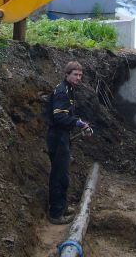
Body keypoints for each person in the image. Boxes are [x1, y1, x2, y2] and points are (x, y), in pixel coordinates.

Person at [47, 61, 93, 225]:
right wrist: (78, 123)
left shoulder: (69, 89)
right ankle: (56, 214)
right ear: (67, 74)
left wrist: (77, 121)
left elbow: (66, 114)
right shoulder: (62, 92)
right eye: (75, 74)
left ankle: (62, 206)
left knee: (64, 175)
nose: (78, 78)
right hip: (57, 137)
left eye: (80, 75)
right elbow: (59, 117)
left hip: (62, 136)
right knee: (59, 176)